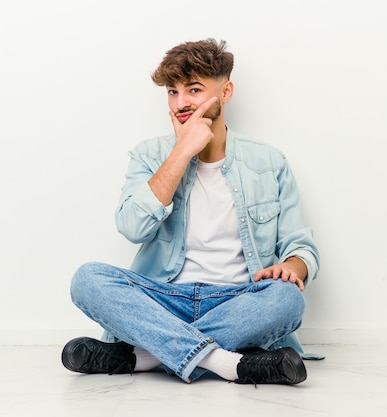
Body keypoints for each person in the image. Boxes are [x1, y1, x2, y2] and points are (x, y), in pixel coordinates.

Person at [61, 38, 320, 385]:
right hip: (165, 300)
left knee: (287, 298)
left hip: (237, 301)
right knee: (87, 279)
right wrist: (181, 153)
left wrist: (292, 267)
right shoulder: (149, 156)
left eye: (194, 90)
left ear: (226, 92)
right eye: (172, 92)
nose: (181, 103)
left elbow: (300, 245)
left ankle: (146, 357)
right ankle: (232, 364)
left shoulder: (269, 162)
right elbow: (132, 226)